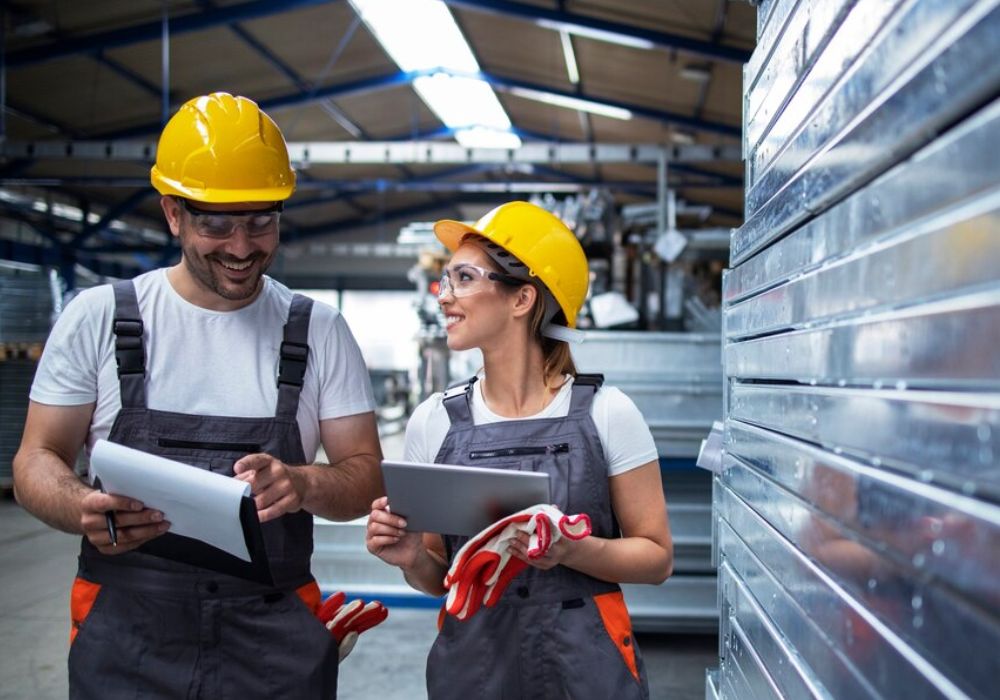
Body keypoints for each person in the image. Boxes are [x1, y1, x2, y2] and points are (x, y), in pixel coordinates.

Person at [12, 92, 383, 699]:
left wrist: (304, 483)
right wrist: (81, 505)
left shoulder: (317, 330)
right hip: (128, 632)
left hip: (273, 639)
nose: (242, 247)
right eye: (216, 224)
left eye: (261, 220)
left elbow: (365, 476)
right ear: (173, 214)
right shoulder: (99, 318)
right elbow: (34, 460)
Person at [366, 201, 674, 699]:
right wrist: (408, 558)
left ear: (521, 299)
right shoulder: (434, 421)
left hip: (585, 668)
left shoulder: (608, 413)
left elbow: (657, 559)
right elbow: (438, 578)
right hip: (475, 668)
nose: (444, 297)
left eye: (463, 278)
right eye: (445, 280)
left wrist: (574, 550)